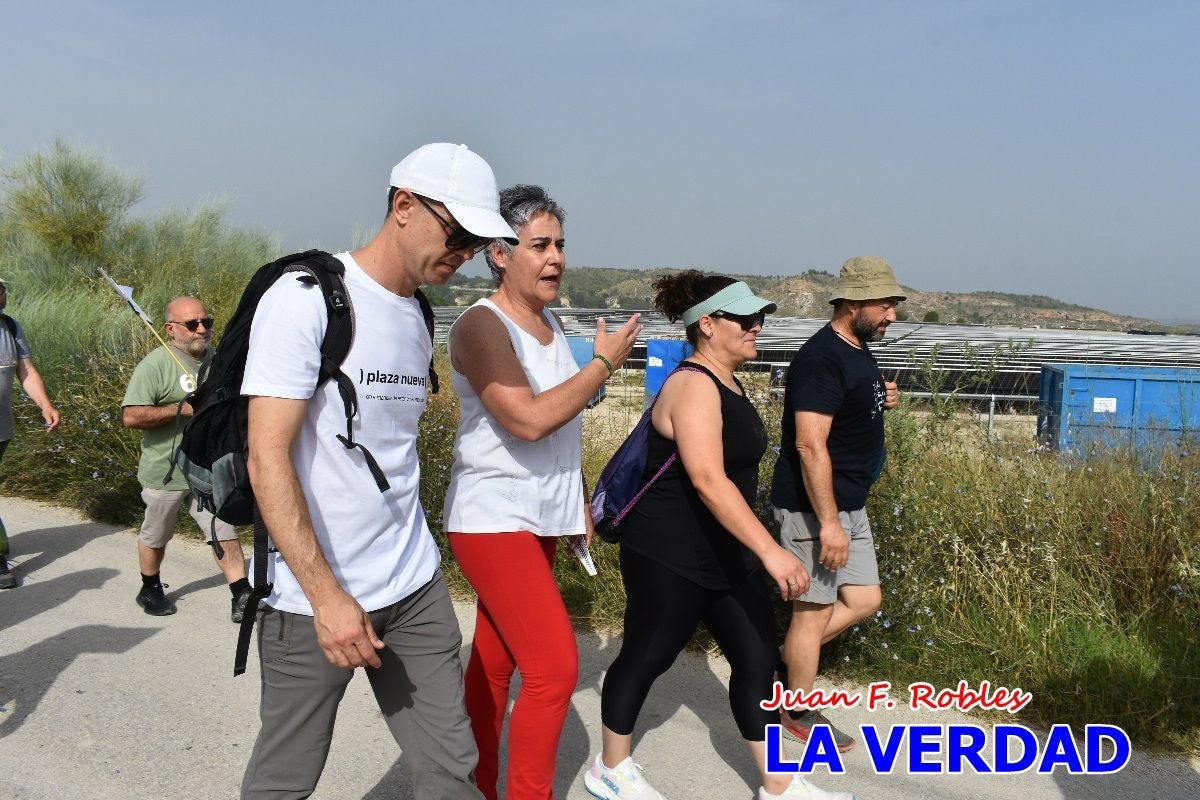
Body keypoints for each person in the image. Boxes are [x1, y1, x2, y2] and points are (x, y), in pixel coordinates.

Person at [239, 143, 516, 800]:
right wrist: (329, 599)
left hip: (413, 584)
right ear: (403, 206)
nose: (466, 252)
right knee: (286, 780)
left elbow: (390, 453)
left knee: (453, 767)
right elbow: (265, 456)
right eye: (458, 233)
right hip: (313, 599)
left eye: (479, 242)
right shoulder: (306, 299)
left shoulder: (419, 314)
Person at [587, 272, 853, 800]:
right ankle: (611, 769)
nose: (757, 326)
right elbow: (708, 479)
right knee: (648, 654)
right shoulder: (692, 385)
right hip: (668, 550)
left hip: (726, 550)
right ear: (706, 325)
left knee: (755, 660)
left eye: (760, 317)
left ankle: (778, 785)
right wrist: (773, 552)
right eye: (745, 318)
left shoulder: (729, 381)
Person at [444, 185, 641, 800]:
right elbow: (527, 419)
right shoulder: (482, 325)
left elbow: (561, 434)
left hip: (539, 517)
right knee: (555, 672)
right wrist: (602, 366)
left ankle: (468, 786)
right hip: (491, 515)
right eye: (539, 245)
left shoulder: (552, 323)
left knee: (496, 665)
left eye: (560, 244)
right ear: (499, 253)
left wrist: (574, 501)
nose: (555, 257)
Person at [769, 256, 904, 752]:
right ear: (852, 303)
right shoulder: (822, 358)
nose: (892, 314)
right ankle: (798, 711)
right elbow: (809, 445)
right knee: (812, 611)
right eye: (884, 305)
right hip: (815, 510)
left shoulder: (857, 350)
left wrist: (879, 397)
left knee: (865, 599)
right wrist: (828, 524)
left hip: (850, 504)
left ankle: (784, 660)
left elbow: (847, 406)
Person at [122, 297, 250, 618]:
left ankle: (241, 594)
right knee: (157, 532)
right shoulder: (156, 364)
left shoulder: (220, 362)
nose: (201, 330)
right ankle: (150, 588)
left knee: (223, 529)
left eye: (207, 322)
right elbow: (132, 416)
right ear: (170, 329)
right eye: (192, 324)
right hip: (165, 469)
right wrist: (184, 409)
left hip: (208, 468)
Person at [0, 277, 61, 589]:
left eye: (1, 288)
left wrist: (45, 405)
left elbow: (26, 371)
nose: (0, 294)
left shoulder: (10, 327)